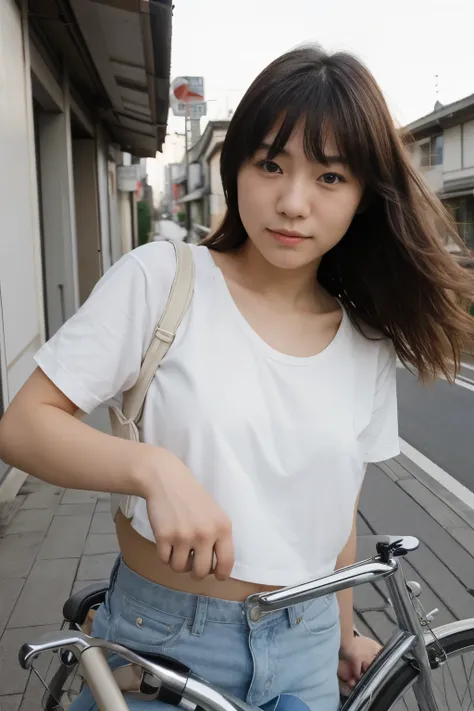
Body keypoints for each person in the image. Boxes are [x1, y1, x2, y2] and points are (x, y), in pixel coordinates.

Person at [1, 45, 473, 711]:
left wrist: (340, 633)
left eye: (330, 177)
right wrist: (151, 469)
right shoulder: (162, 280)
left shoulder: (367, 342)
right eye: (271, 163)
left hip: (307, 653)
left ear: (365, 196)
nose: (292, 201)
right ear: (237, 166)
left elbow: (333, 515)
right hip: (165, 648)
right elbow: (22, 425)